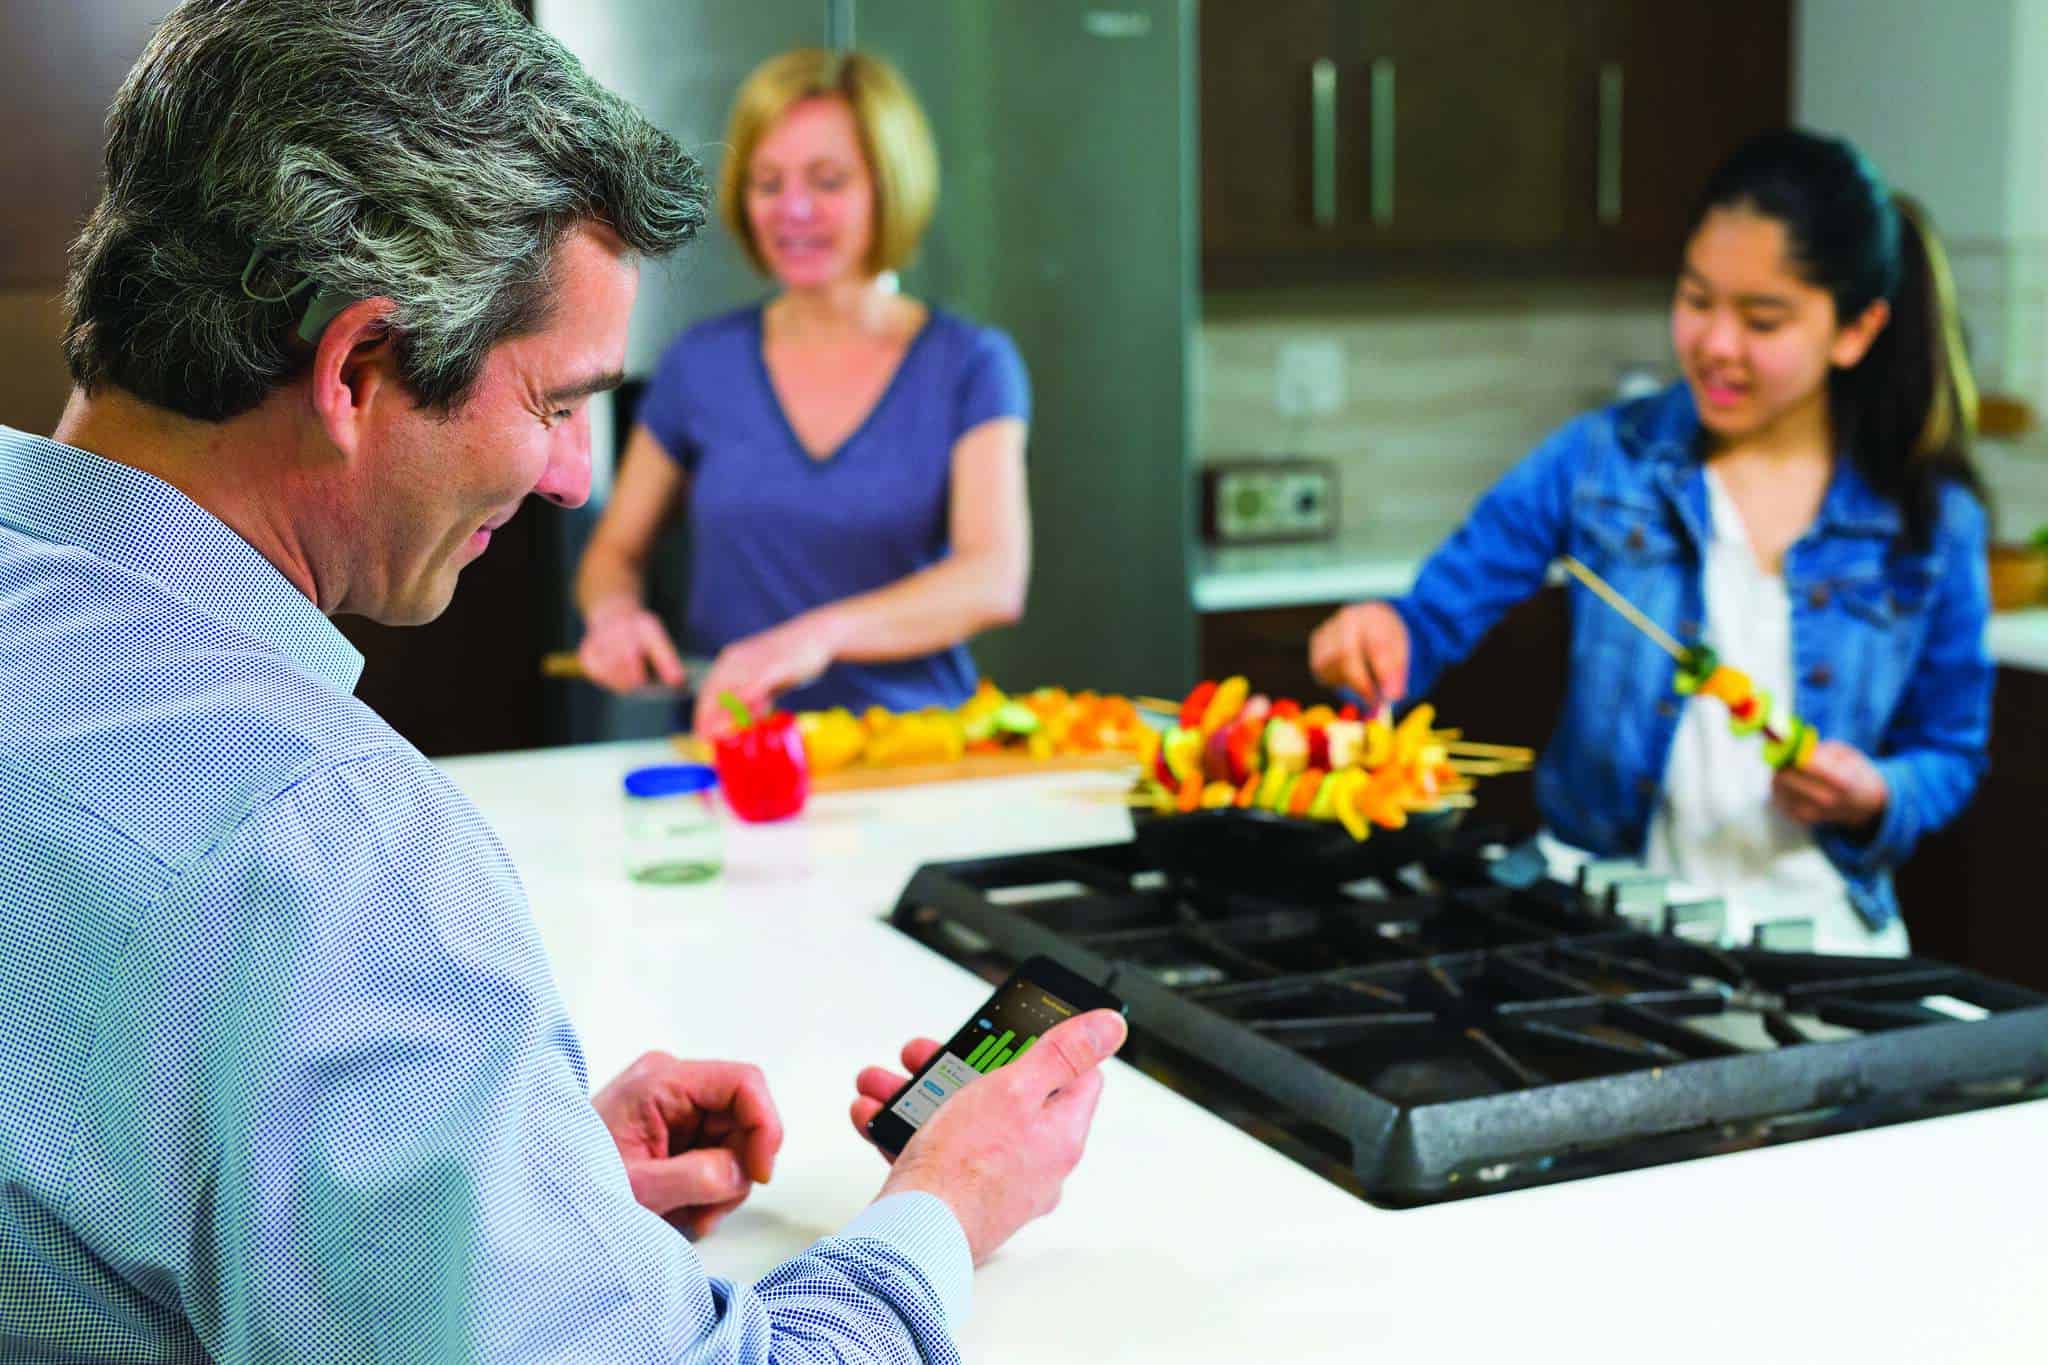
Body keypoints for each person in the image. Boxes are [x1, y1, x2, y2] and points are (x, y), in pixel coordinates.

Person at [0, 4, 1122, 1361]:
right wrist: (944, 1203)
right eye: (553, 404)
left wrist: (488, 1194)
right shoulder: (327, 850)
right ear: (357, 365)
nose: (573, 478)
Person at [1308, 129, 1992, 956]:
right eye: (1697, 299)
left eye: (1762, 318)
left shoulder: (1932, 521)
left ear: (1855, 329)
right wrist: (1380, 637)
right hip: (1604, 934)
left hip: (1824, 949)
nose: (1714, 345)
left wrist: (1877, 791)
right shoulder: (1601, 462)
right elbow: (1427, 621)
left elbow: (1950, 752)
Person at [573, 49, 1031, 738]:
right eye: (767, 182)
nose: (793, 209)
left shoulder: (971, 364)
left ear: (888, 187)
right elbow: (612, 554)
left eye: (828, 180)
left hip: (915, 753)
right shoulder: (700, 364)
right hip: (732, 751)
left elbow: (993, 577)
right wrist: (613, 615)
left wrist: (815, 636)